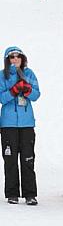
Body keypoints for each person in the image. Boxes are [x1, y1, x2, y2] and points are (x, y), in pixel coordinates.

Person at [0, 46, 40, 205]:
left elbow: (37, 94)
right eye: (11, 57)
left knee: (28, 158)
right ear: (7, 60)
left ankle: (30, 194)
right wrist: (14, 90)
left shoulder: (29, 74)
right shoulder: (3, 75)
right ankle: (12, 193)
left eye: (18, 56)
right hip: (8, 124)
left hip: (27, 124)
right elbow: (2, 98)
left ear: (22, 58)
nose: (15, 59)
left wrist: (28, 89)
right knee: (10, 159)